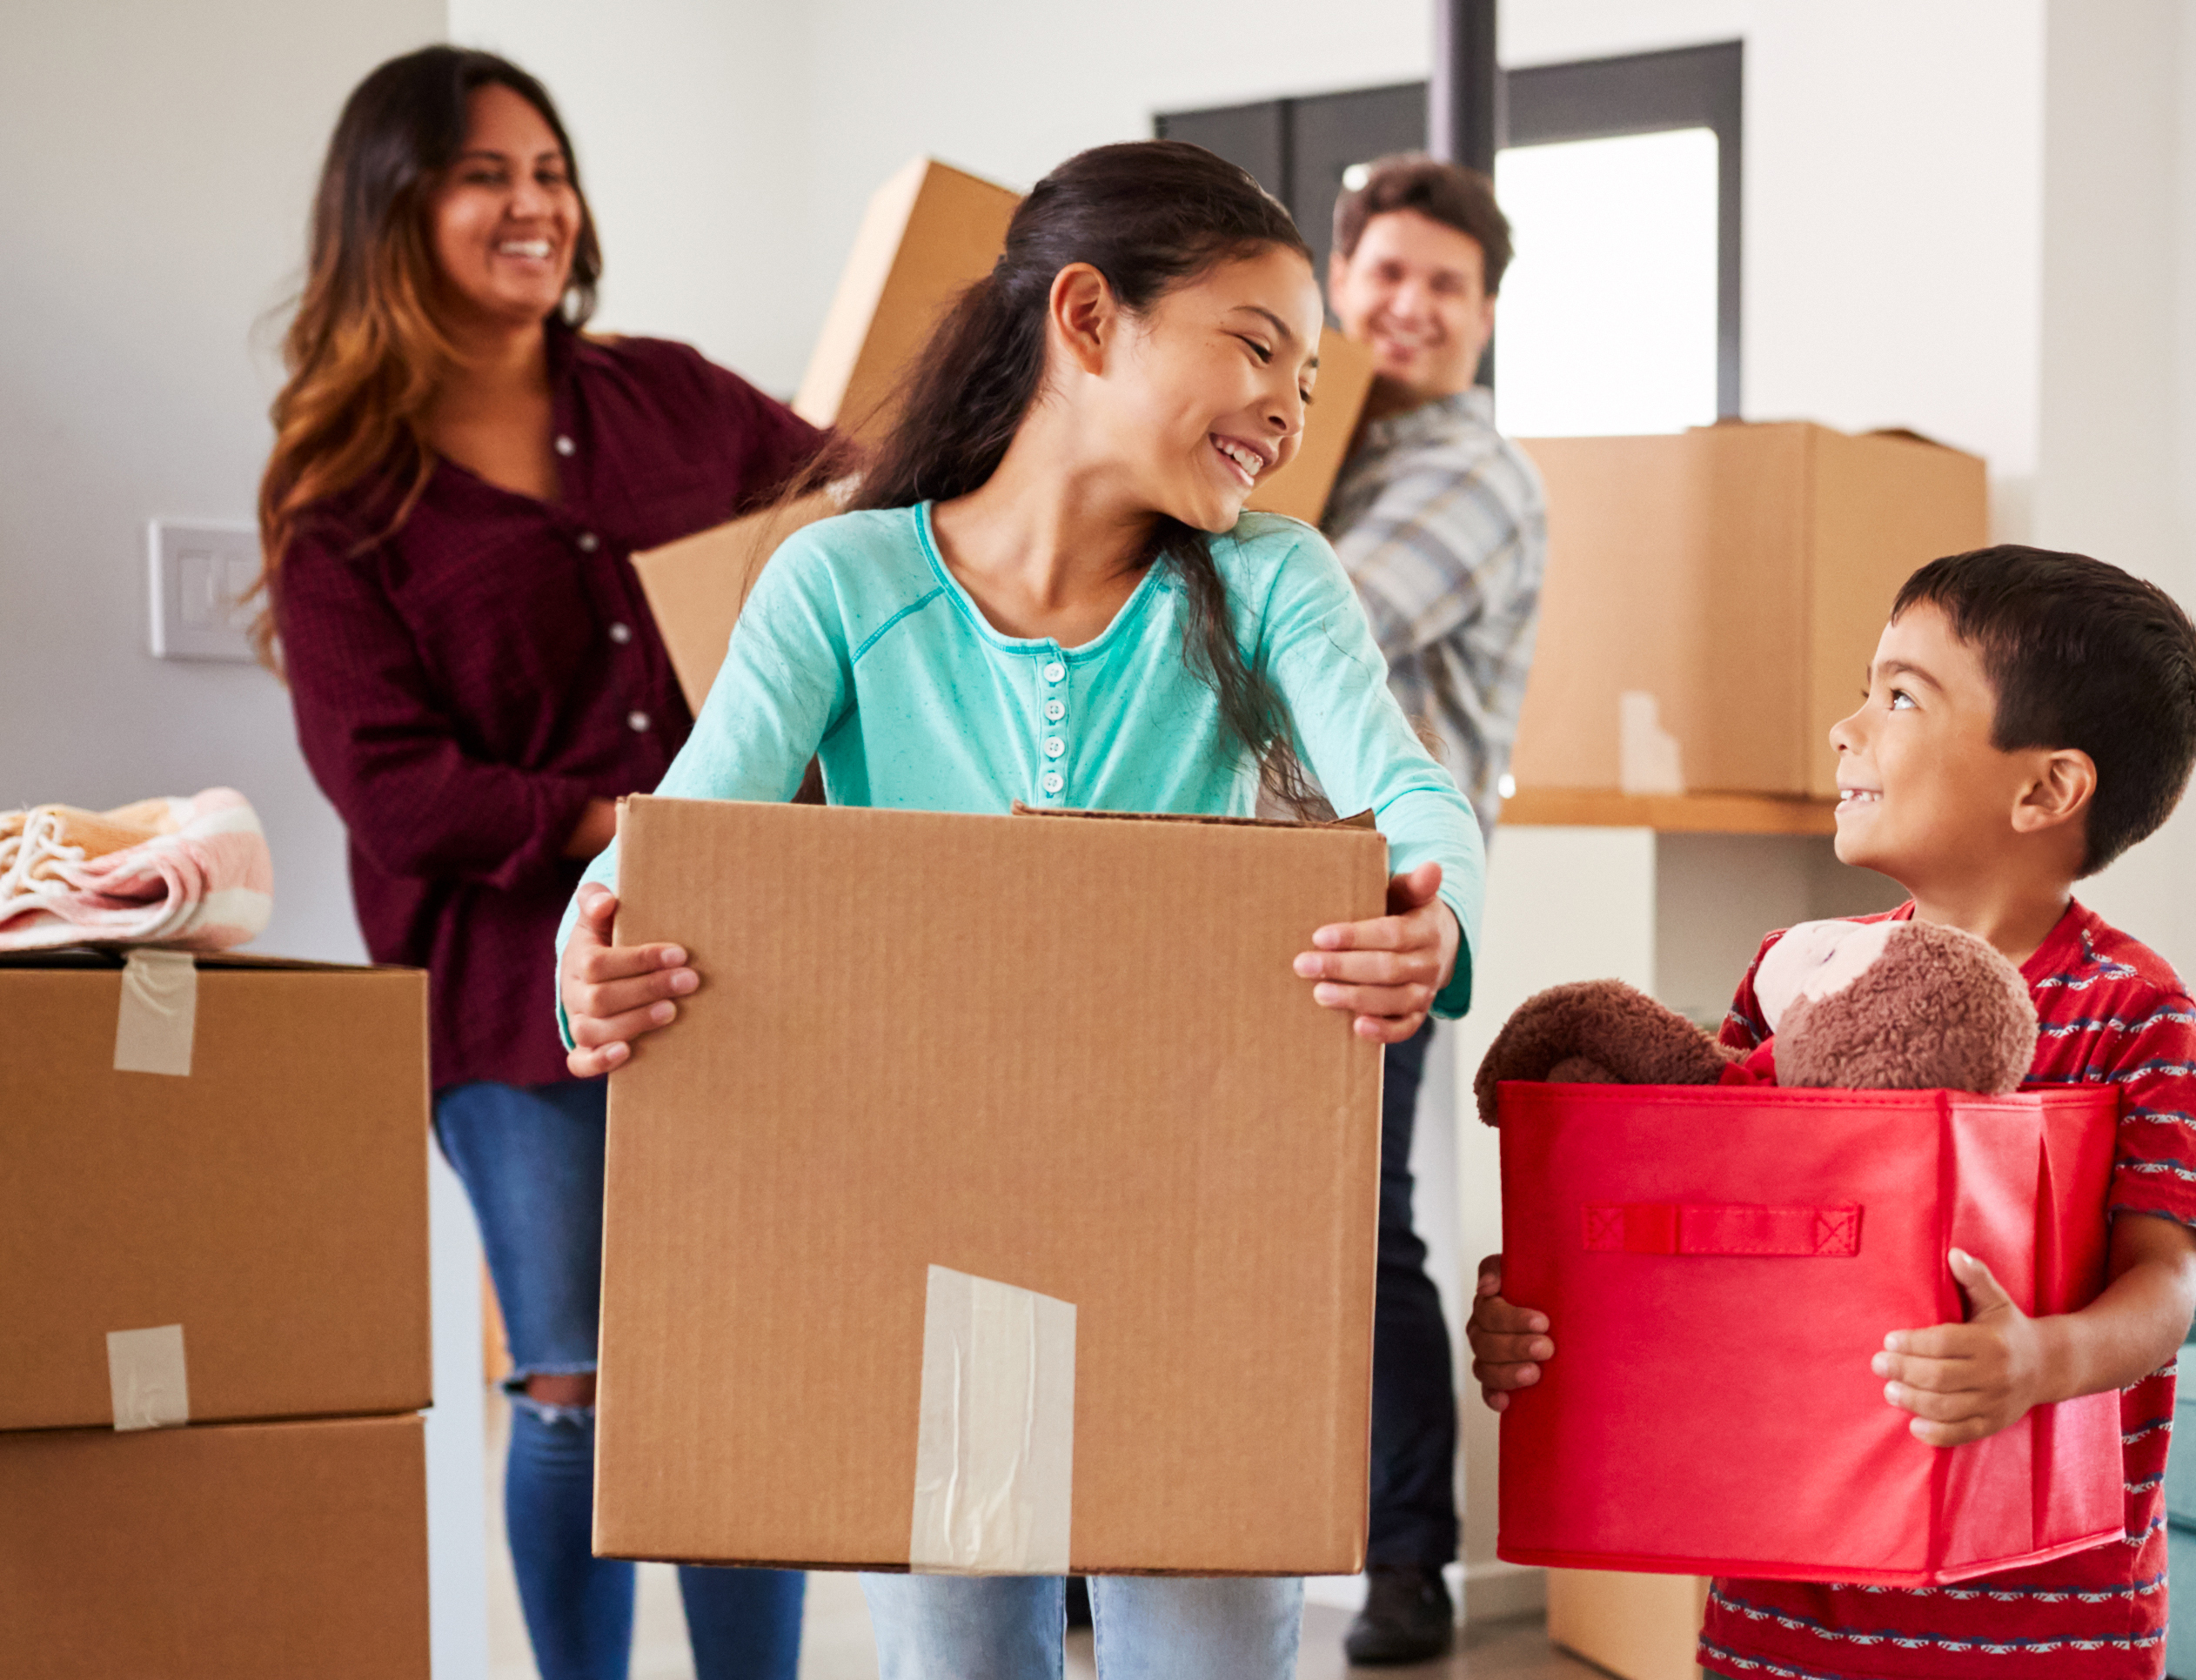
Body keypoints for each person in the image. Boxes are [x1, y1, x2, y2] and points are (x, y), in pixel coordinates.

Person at [547, 139, 1487, 1680]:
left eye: (1309, 380)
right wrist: (596, 939)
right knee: (963, 1658)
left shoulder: (1273, 584)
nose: (1288, 408)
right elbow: (681, 842)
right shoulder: (840, 584)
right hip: (927, 1225)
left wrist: (1429, 917)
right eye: (1256, 348)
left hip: (1195, 1220)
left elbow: (1411, 790)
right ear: (1089, 319)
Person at [264, 45, 819, 1680]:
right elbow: (394, 786)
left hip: (746, 970)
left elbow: (864, 519)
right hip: (512, 1005)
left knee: (736, 1376)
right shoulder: (344, 497)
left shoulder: (673, 398)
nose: (534, 206)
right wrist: (622, 821)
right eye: (485, 176)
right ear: (394, 213)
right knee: (574, 1376)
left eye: (550, 171)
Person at [1471, 546, 2196, 1680]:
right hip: (1783, 1609)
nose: (1847, 726)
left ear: (2046, 789)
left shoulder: (2133, 1007)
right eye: (1868, 687)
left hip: (2041, 1626)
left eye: (1902, 695)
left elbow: (2163, 1288)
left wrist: (2037, 1360)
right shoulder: (1793, 976)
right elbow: (1702, 1240)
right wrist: (1543, 1315)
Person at [1311, 151, 1548, 1668]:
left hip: (1377, 889)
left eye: (1444, 287)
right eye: (1384, 274)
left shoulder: (1471, 473)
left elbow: (1323, 617)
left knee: (1365, 1228)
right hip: (1219, 878)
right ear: (1339, 286)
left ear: (1482, 320)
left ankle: (1410, 1562)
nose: (1408, 307)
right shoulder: (1305, 448)